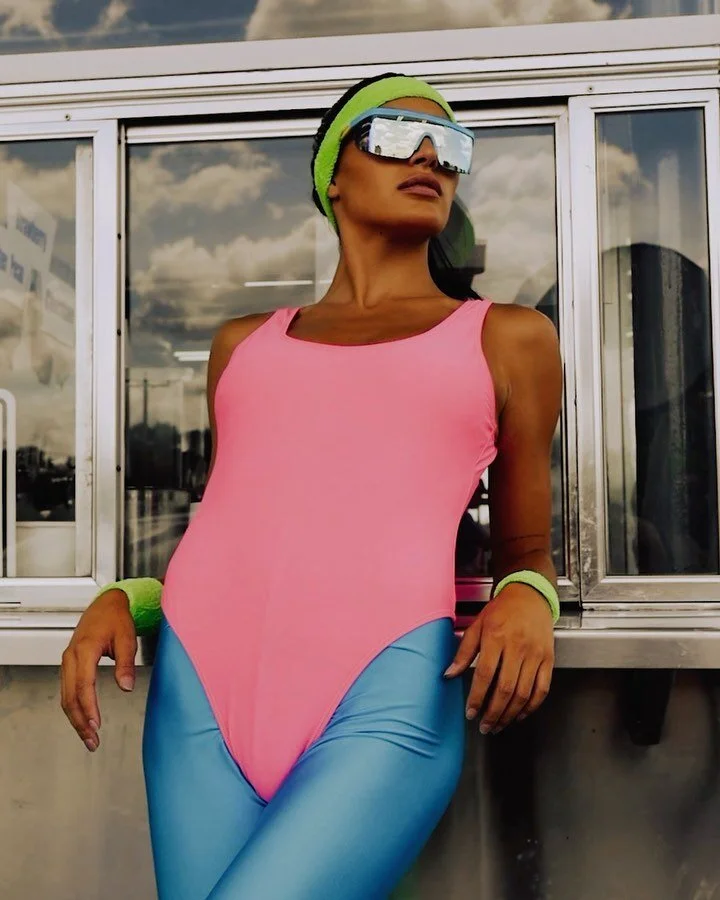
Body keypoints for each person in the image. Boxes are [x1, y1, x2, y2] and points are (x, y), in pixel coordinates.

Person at [60, 73, 562, 899]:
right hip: (197, 700)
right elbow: (239, 527)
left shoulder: (508, 338)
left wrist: (529, 598)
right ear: (332, 175)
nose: (429, 156)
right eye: (393, 134)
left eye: (450, 146)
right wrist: (129, 598)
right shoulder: (243, 345)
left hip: (385, 701)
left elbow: (527, 550)